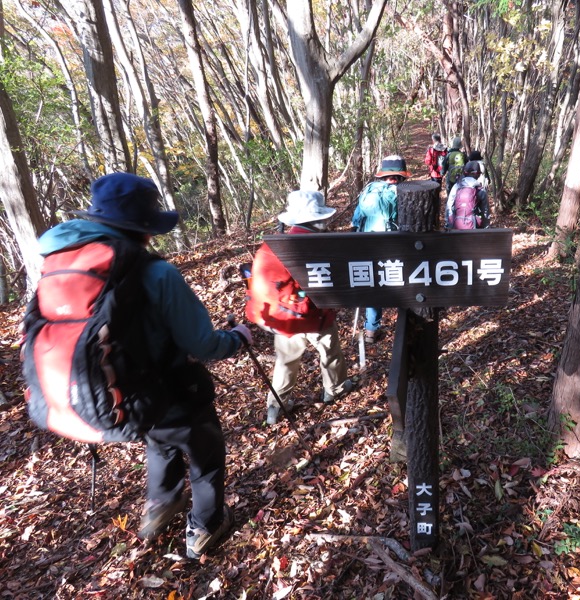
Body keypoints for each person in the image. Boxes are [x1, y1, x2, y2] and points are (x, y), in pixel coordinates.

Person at [38, 172, 252, 559]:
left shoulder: (65, 265)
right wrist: (237, 338)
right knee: (205, 457)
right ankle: (206, 526)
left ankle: (158, 510)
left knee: (160, 443)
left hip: (126, 394)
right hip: (176, 389)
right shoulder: (157, 272)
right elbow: (202, 343)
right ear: (144, 226)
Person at [246, 190, 355, 425]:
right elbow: (326, 284)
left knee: (286, 361)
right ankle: (334, 389)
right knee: (329, 350)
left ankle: (276, 407)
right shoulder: (312, 245)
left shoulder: (272, 245)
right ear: (317, 219)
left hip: (277, 315)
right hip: (307, 315)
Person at [351, 155, 410, 343]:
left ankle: (371, 329)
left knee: (373, 285)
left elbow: (356, 219)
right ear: (400, 176)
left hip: (366, 245)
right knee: (404, 279)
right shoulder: (399, 192)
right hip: (391, 246)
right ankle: (408, 320)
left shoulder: (369, 189)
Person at [445, 160, 491, 230]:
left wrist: (449, 225)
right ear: (478, 174)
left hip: (456, 226)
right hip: (474, 227)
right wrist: (486, 227)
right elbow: (485, 211)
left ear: (464, 173)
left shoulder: (457, 186)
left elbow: (449, 206)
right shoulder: (480, 190)